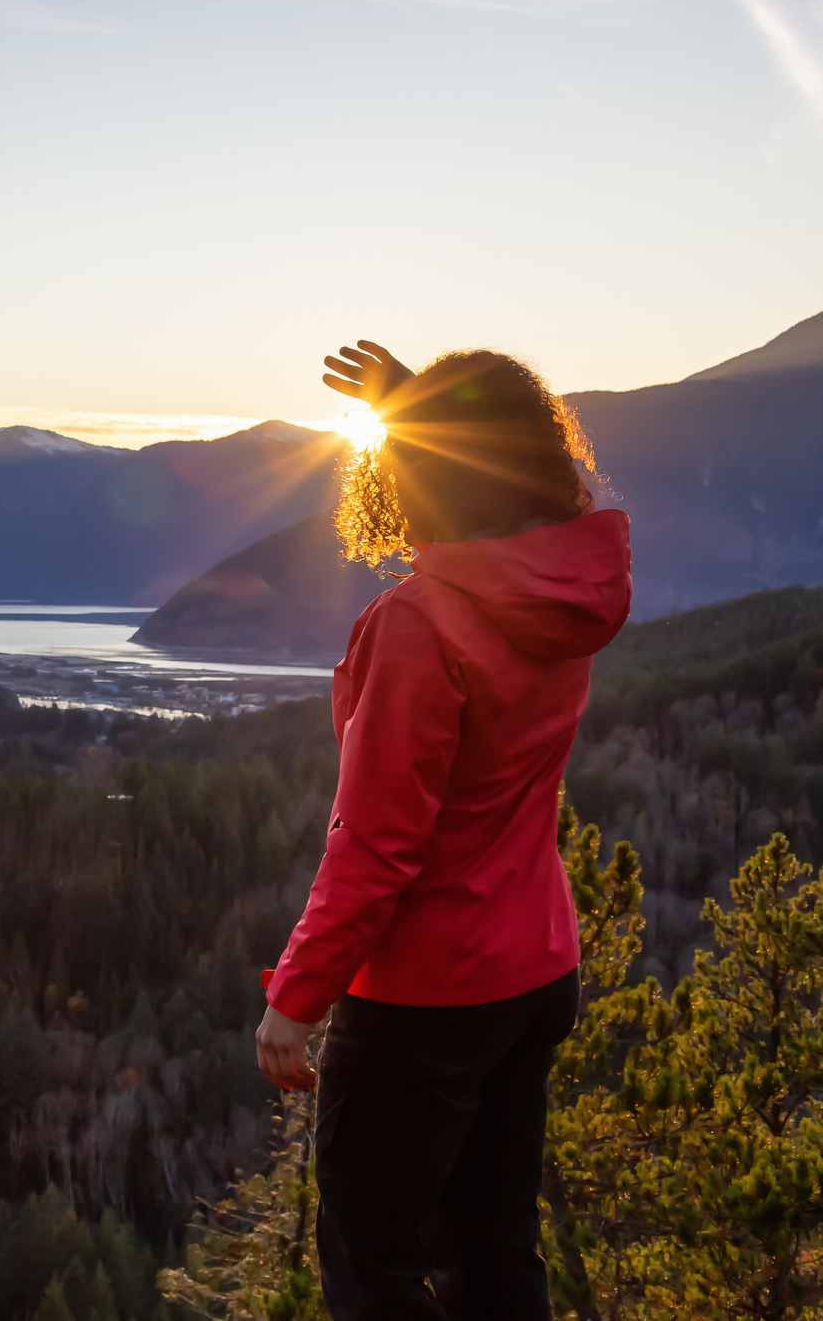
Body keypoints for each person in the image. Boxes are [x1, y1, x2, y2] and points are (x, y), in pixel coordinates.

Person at [254, 341, 632, 1320]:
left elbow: (379, 846)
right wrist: (419, 405)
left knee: (373, 1267)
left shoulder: (420, 624)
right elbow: (514, 471)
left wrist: (295, 997)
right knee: (496, 1254)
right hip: (534, 970)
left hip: (428, 998)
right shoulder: (566, 591)